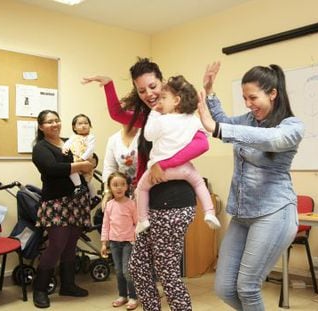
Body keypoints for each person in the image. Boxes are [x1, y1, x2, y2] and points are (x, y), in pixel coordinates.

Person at [82, 57, 209, 310]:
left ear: (162, 82)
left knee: (167, 273)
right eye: (142, 90)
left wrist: (165, 164)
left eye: (153, 87)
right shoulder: (151, 117)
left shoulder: (179, 113)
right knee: (138, 267)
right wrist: (108, 85)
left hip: (173, 201)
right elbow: (118, 113)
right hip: (152, 202)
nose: (149, 94)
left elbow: (202, 143)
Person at [197, 61, 305, 310]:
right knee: (224, 288)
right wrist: (210, 92)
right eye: (244, 98)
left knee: (247, 287)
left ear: (273, 93)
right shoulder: (247, 120)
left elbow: (270, 139)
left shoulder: (292, 127)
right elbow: (224, 122)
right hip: (242, 214)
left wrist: (218, 129)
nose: (248, 104)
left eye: (253, 97)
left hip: (274, 212)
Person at [135, 75, 221, 234]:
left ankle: (142, 220)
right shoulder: (192, 120)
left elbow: (148, 135)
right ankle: (209, 212)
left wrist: (154, 114)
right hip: (184, 169)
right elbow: (205, 135)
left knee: (141, 189)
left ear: (176, 101)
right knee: (199, 184)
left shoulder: (162, 120)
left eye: (163, 98)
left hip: (160, 170)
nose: (159, 102)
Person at [31, 110, 94, 308]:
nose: (54, 124)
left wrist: (90, 163)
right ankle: (40, 289)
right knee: (57, 244)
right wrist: (81, 165)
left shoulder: (69, 140)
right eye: (49, 122)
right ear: (41, 127)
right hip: (55, 202)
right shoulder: (40, 148)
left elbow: (91, 158)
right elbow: (52, 168)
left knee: (71, 243)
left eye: (57, 120)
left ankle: (68, 285)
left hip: (77, 200)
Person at [100, 171, 139, 310]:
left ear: (127, 187)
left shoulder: (131, 204)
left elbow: (137, 223)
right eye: (115, 185)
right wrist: (104, 243)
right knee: (118, 270)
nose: (119, 188)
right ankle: (122, 295)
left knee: (127, 271)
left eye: (122, 184)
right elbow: (105, 225)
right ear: (110, 187)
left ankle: (133, 296)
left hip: (129, 242)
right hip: (114, 243)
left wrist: (135, 239)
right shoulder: (109, 205)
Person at [63, 113, 99, 205]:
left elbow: (90, 149)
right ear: (74, 127)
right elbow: (67, 143)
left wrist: (83, 159)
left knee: (88, 179)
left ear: (90, 126)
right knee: (72, 171)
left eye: (86, 123)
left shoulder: (90, 137)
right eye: (80, 124)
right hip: (76, 160)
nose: (83, 125)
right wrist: (65, 148)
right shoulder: (73, 137)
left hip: (86, 160)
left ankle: (94, 196)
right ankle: (78, 186)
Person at [101, 123, 140, 208]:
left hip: (143, 189)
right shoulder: (113, 140)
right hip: (122, 190)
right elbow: (109, 167)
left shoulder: (144, 136)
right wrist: (107, 192)